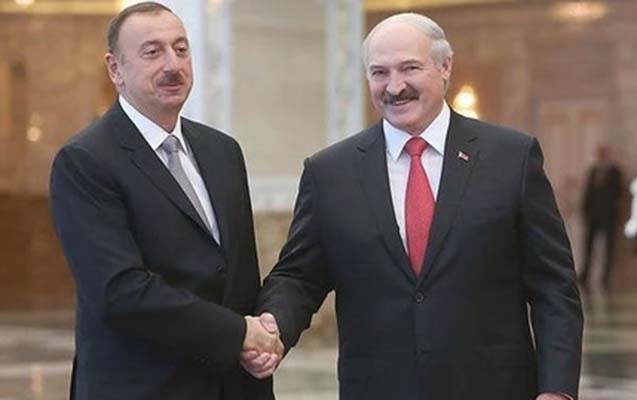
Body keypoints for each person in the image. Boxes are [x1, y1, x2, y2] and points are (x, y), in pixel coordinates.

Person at [244, 12, 583, 400]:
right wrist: (273, 327)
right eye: (379, 72)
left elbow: (554, 286)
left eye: (409, 68)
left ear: (445, 67)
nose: (395, 86)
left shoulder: (511, 158)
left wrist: (557, 390)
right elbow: (299, 276)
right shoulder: (330, 173)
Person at [49, 3, 280, 399]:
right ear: (115, 69)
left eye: (181, 49)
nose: (173, 65)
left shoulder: (222, 151)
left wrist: (263, 336)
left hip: (233, 386)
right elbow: (120, 291)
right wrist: (238, 333)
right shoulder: (85, 161)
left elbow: (238, 275)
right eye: (152, 52)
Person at [578, 144, 623, 289]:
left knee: (608, 248)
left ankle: (605, 277)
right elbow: (587, 193)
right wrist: (584, 211)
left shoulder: (615, 172)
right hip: (593, 215)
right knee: (588, 246)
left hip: (609, 216)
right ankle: (585, 274)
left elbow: (618, 193)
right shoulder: (593, 171)